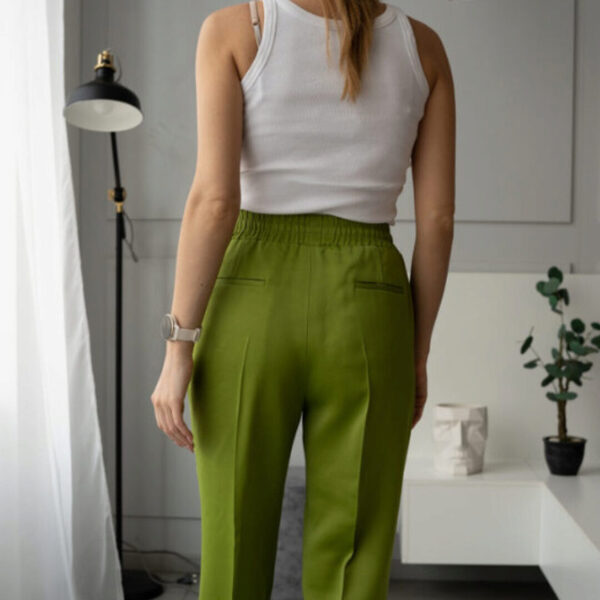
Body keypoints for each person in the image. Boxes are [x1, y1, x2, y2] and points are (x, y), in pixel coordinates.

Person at [151, 0, 454, 597]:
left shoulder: (235, 28)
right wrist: (416, 354)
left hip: (251, 299)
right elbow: (438, 221)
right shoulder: (424, 48)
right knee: (353, 553)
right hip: (370, 303)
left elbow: (215, 201)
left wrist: (178, 347)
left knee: (234, 535)